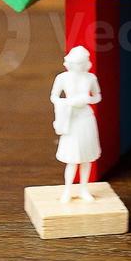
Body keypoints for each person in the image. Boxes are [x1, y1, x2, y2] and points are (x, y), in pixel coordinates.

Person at [50, 45, 102, 203]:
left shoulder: (91, 78)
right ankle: (67, 189)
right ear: (71, 63)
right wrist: (68, 102)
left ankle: (84, 189)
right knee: (72, 158)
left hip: (85, 118)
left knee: (86, 157)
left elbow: (97, 96)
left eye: (83, 62)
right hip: (70, 119)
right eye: (77, 62)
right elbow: (54, 96)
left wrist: (88, 100)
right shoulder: (62, 78)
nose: (80, 65)